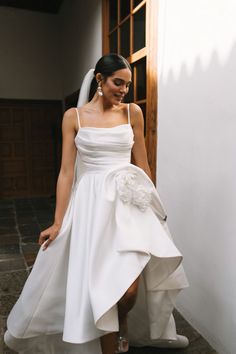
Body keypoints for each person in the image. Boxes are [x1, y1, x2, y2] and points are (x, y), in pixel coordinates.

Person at [5, 53, 189, 354]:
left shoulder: (132, 113)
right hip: (91, 206)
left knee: (128, 291)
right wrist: (58, 221)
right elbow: (66, 173)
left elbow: (143, 166)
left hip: (127, 205)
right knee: (101, 284)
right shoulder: (73, 118)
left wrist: (154, 208)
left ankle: (123, 323)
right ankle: (109, 344)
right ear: (100, 79)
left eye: (127, 85)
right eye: (119, 82)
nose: (123, 90)